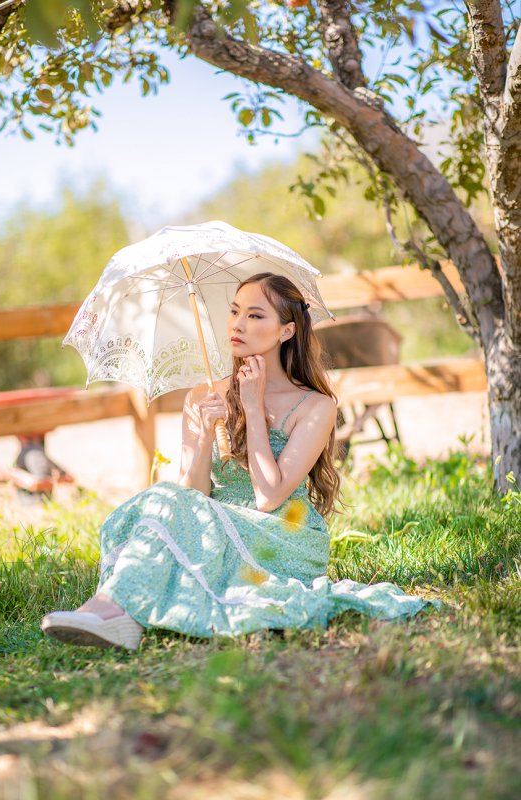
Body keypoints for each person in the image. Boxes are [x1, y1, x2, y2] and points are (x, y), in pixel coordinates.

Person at [41, 273, 430, 650]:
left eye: (255, 315)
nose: (238, 324)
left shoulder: (316, 406)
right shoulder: (202, 397)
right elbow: (190, 497)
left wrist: (252, 409)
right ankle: (111, 613)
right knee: (161, 496)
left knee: (166, 501)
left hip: (283, 536)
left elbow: (269, 496)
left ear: (286, 331)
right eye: (234, 311)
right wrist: (207, 434)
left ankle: (112, 613)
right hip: (216, 530)